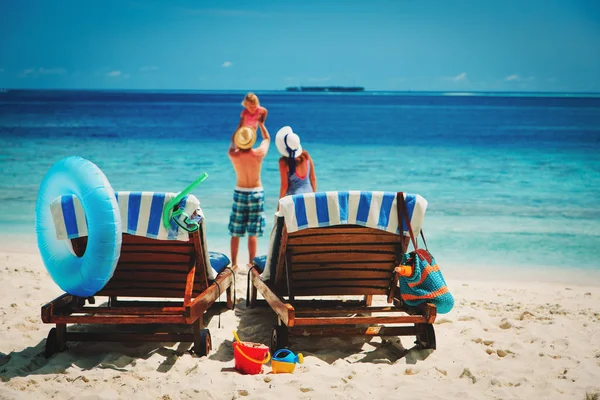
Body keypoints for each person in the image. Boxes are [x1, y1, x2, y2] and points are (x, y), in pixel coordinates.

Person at [227, 122, 270, 267]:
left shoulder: (234, 155)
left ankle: (234, 264)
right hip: (256, 192)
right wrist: (261, 124)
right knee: (253, 232)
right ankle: (251, 264)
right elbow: (267, 139)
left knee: (235, 231)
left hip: (240, 192)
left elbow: (233, 142)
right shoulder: (258, 154)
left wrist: (239, 127)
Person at [275, 126, 317, 200]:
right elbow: (313, 178)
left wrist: (279, 206)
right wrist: (314, 197)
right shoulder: (306, 156)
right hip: (310, 196)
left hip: (294, 199)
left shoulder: (284, 163)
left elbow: (284, 187)